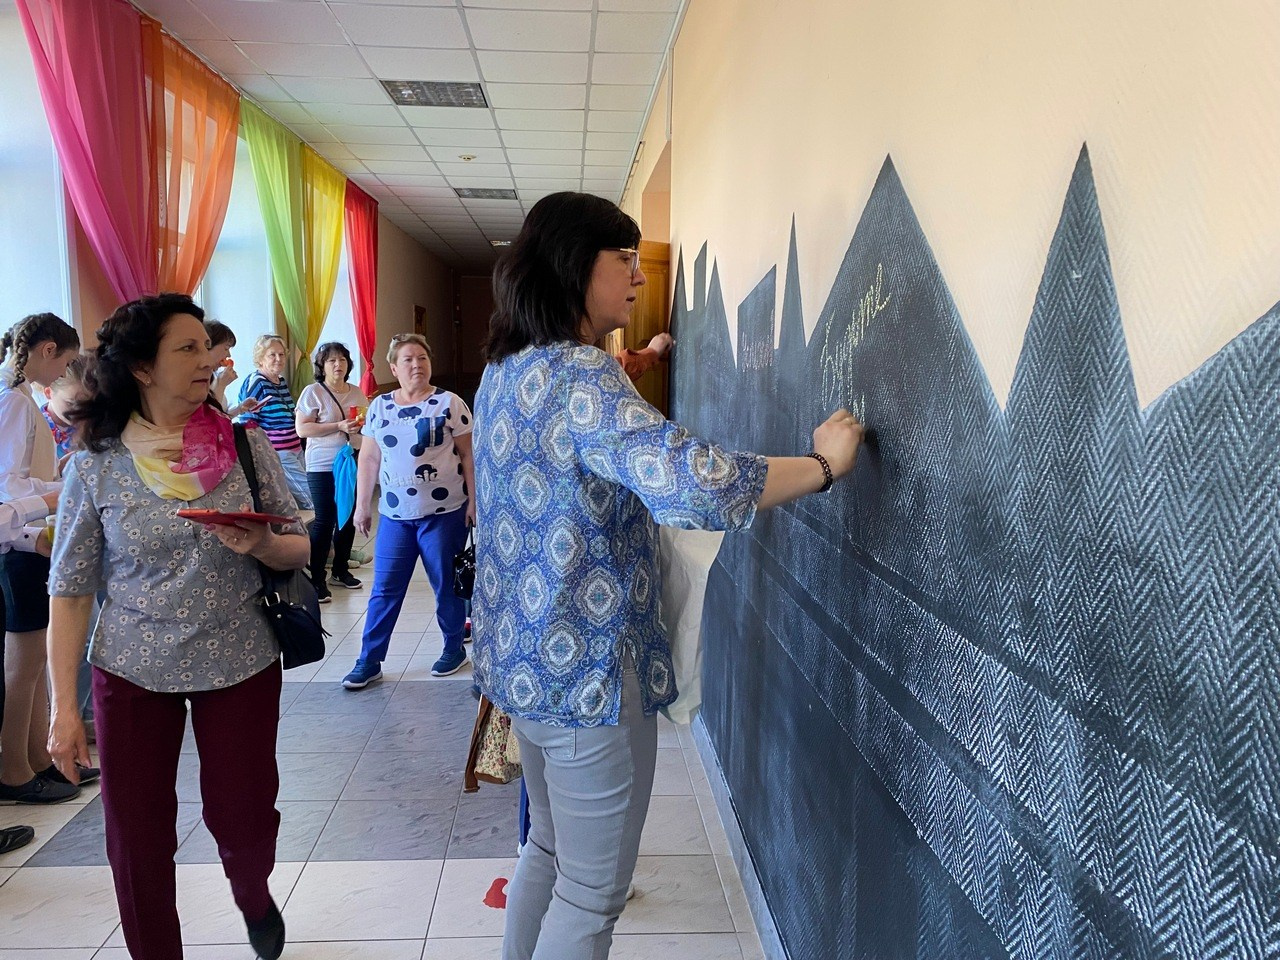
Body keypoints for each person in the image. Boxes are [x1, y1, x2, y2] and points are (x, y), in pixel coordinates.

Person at [471, 192, 863, 960]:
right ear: (574, 265)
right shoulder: (581, 376)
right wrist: (823, 465)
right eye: (623, 258)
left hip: (521, 664)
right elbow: (697, 482)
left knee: (546, 850)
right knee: (590, 895)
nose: (639, 276)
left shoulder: (504, 373)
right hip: (585, 675)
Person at [45, 294, 308, 960]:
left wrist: (265, 545)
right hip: (131, 666)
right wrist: (63, 710)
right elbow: (70, 590)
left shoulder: (244, 445)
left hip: (240, 657)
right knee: (136, 836)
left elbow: (297, 545)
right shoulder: (96, 463)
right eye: (187, 349)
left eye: (206, 348)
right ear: (142, 368)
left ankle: (252, 892)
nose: (208, 360)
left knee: (244, 818)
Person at [342, 333, 476, 689]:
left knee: (445, 585)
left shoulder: (449, 403)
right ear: (393, 368)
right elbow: (369, 458)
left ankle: (453, 648)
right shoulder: (380, 407)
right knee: (385, 588)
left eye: (422, 358)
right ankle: (369, 659)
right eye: (408, 359)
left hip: (444, 512)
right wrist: (362, 506)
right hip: (395, 515)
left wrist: (474, 502)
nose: (417, 365)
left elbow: (468, 456)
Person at [0, 313, 91, 805]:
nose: (61, 374)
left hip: (26, 535)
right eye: (64, 363)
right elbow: (8, 487)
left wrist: (56, 480)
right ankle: (14, 768)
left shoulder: (21, 396)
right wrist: (55, 493)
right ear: (47, 350)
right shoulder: (14, 399)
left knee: (33, 666)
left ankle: (35, 758)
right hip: (18, 543)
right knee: (23, 668)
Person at [295, 341, 368, 603]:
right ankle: (316, 578)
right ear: (322, 366)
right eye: (332, 360)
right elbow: (303, 429)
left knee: (347, 518)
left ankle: (341, 570)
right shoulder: (313, 392)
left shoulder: (356, 392)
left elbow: (364, 424)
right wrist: (338, 425)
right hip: (322, 464)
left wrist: (360, 426)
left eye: (342, 360)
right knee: (325, 521)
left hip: (351, 462)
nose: (338, 365)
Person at [237, 334, 312, 510]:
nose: (278, 359)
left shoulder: (280, 381)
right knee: (312, 498)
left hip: (295, 447)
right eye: (272, 355)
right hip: (279, 452)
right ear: (260, 358)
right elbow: (247, 422)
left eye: (281, 354)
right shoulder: (257, 382)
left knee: (310, 495)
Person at [205, 320, 259, 418]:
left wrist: (240, 408)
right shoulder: (197, 381)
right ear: (209, 346)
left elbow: (222, 417)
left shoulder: (213, 377)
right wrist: (221, 385)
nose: (229, 355)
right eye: (226, 348)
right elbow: (210, 419)